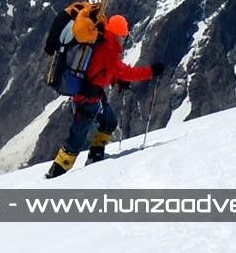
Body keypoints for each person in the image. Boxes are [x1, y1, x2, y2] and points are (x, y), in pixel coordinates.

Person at [45, 14, 164, 179]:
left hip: (93, 97)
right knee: (77, 139)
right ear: (118, 34)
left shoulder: (102, 42)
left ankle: (95, 157)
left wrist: (116, 80)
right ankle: (55, 175)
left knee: (109, 122)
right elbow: (125, 71)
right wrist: (151, 72)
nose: (124, 39)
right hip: (87, 100)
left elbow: (101, 70)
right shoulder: (109, 49)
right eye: (123, 35)